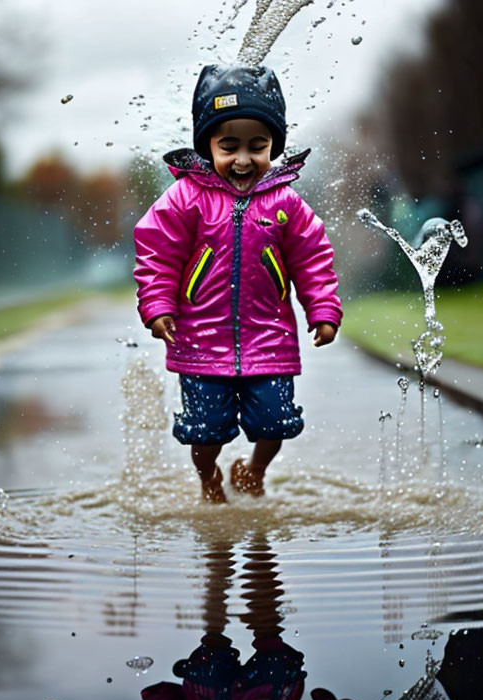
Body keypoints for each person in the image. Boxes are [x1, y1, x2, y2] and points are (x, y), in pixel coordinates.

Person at [133, 64, 342, 503]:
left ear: (273, 146)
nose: (244, 159)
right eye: (229, 146)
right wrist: (157, 305)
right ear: (207, 145)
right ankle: (209, 477)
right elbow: (157, 252)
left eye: (258, 146)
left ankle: (254, 469)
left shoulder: (285, 202)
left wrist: (322, 308)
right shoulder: (186, 197)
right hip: (200, 342)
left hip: (270, 340)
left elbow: (312, 257)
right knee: (205, 433)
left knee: (276, 423)